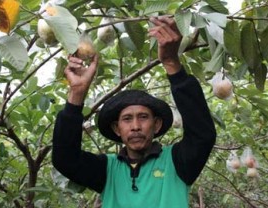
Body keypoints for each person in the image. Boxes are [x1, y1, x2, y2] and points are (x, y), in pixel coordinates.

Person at [52, 16, 216, 208]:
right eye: (127, 119)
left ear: (157, 124)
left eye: (143, 117)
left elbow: (202, 135)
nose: (136, 126)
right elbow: (65, 159)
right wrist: (76, 94)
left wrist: (172, 63)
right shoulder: (106, 170)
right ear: (117, 128)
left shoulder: (178, 163)